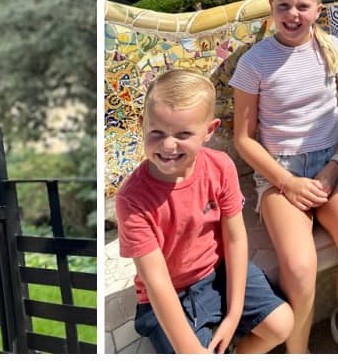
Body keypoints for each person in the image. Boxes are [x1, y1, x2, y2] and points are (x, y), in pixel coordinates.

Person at [230, 0, 338, 353]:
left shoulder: (334, 50)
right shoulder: (255, 63)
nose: (293, 14)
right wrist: (286, 182)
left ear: (318, 9)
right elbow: (244, 139)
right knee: (298, 268)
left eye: (302, 6)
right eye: (284, 6)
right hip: (280, 176)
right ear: (271, 8)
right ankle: (299, 351)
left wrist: (333, 167)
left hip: (332, 168)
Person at [115, 69, 293, 354]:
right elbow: (157, 282)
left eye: (183, 134)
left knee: (282, 323)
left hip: (218, 272)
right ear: (142, 125)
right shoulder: (131, 199)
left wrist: (234, 315)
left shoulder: (221, 167)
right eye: (157, 133)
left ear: (209, 131)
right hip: (171, 293)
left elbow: (235, 239)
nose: (168, 145)